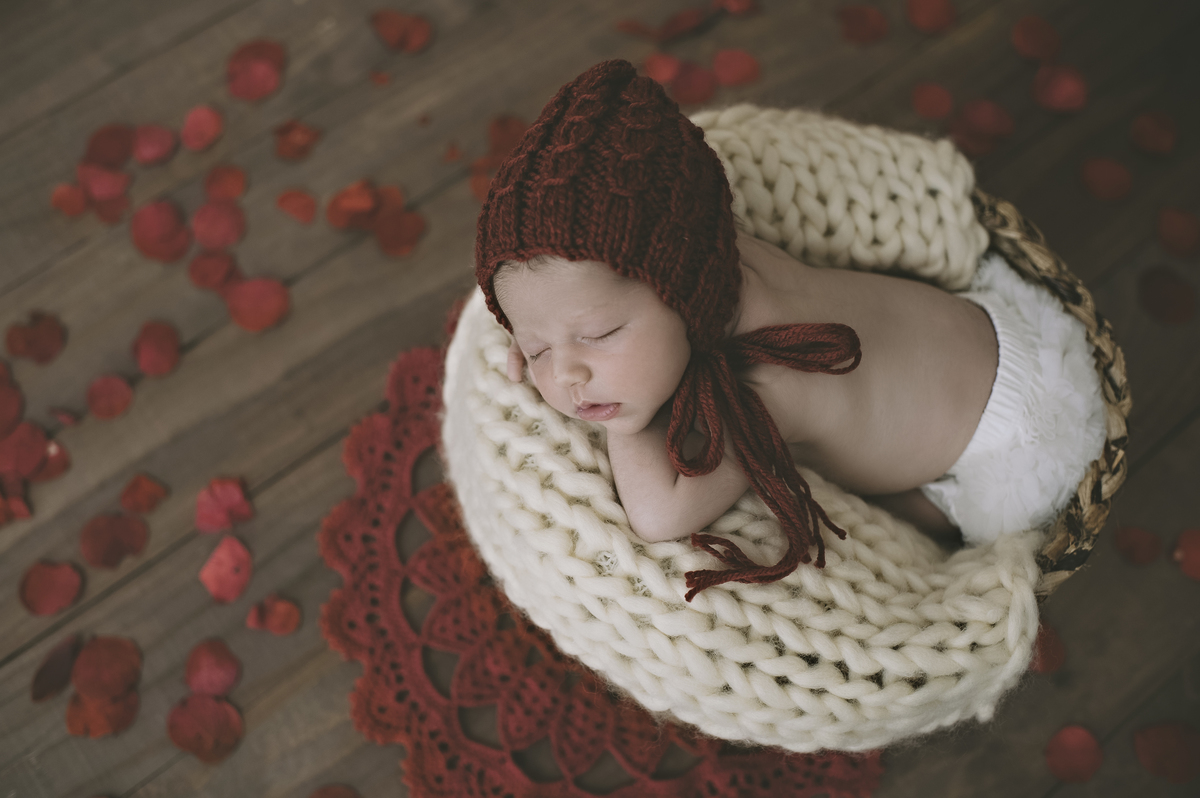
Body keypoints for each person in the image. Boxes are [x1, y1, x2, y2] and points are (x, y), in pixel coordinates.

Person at [473, 59, 1106, 601]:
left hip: (1015, 441)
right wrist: (558, 336)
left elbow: (658, 513)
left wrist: (618, 418)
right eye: (533, 346)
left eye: (600, 333)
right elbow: (589, 290)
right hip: (999, 330)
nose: (566, 374)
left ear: (679, 290)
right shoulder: (730, 256)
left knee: (920, 524)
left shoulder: (769, 381)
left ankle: (935, 510)